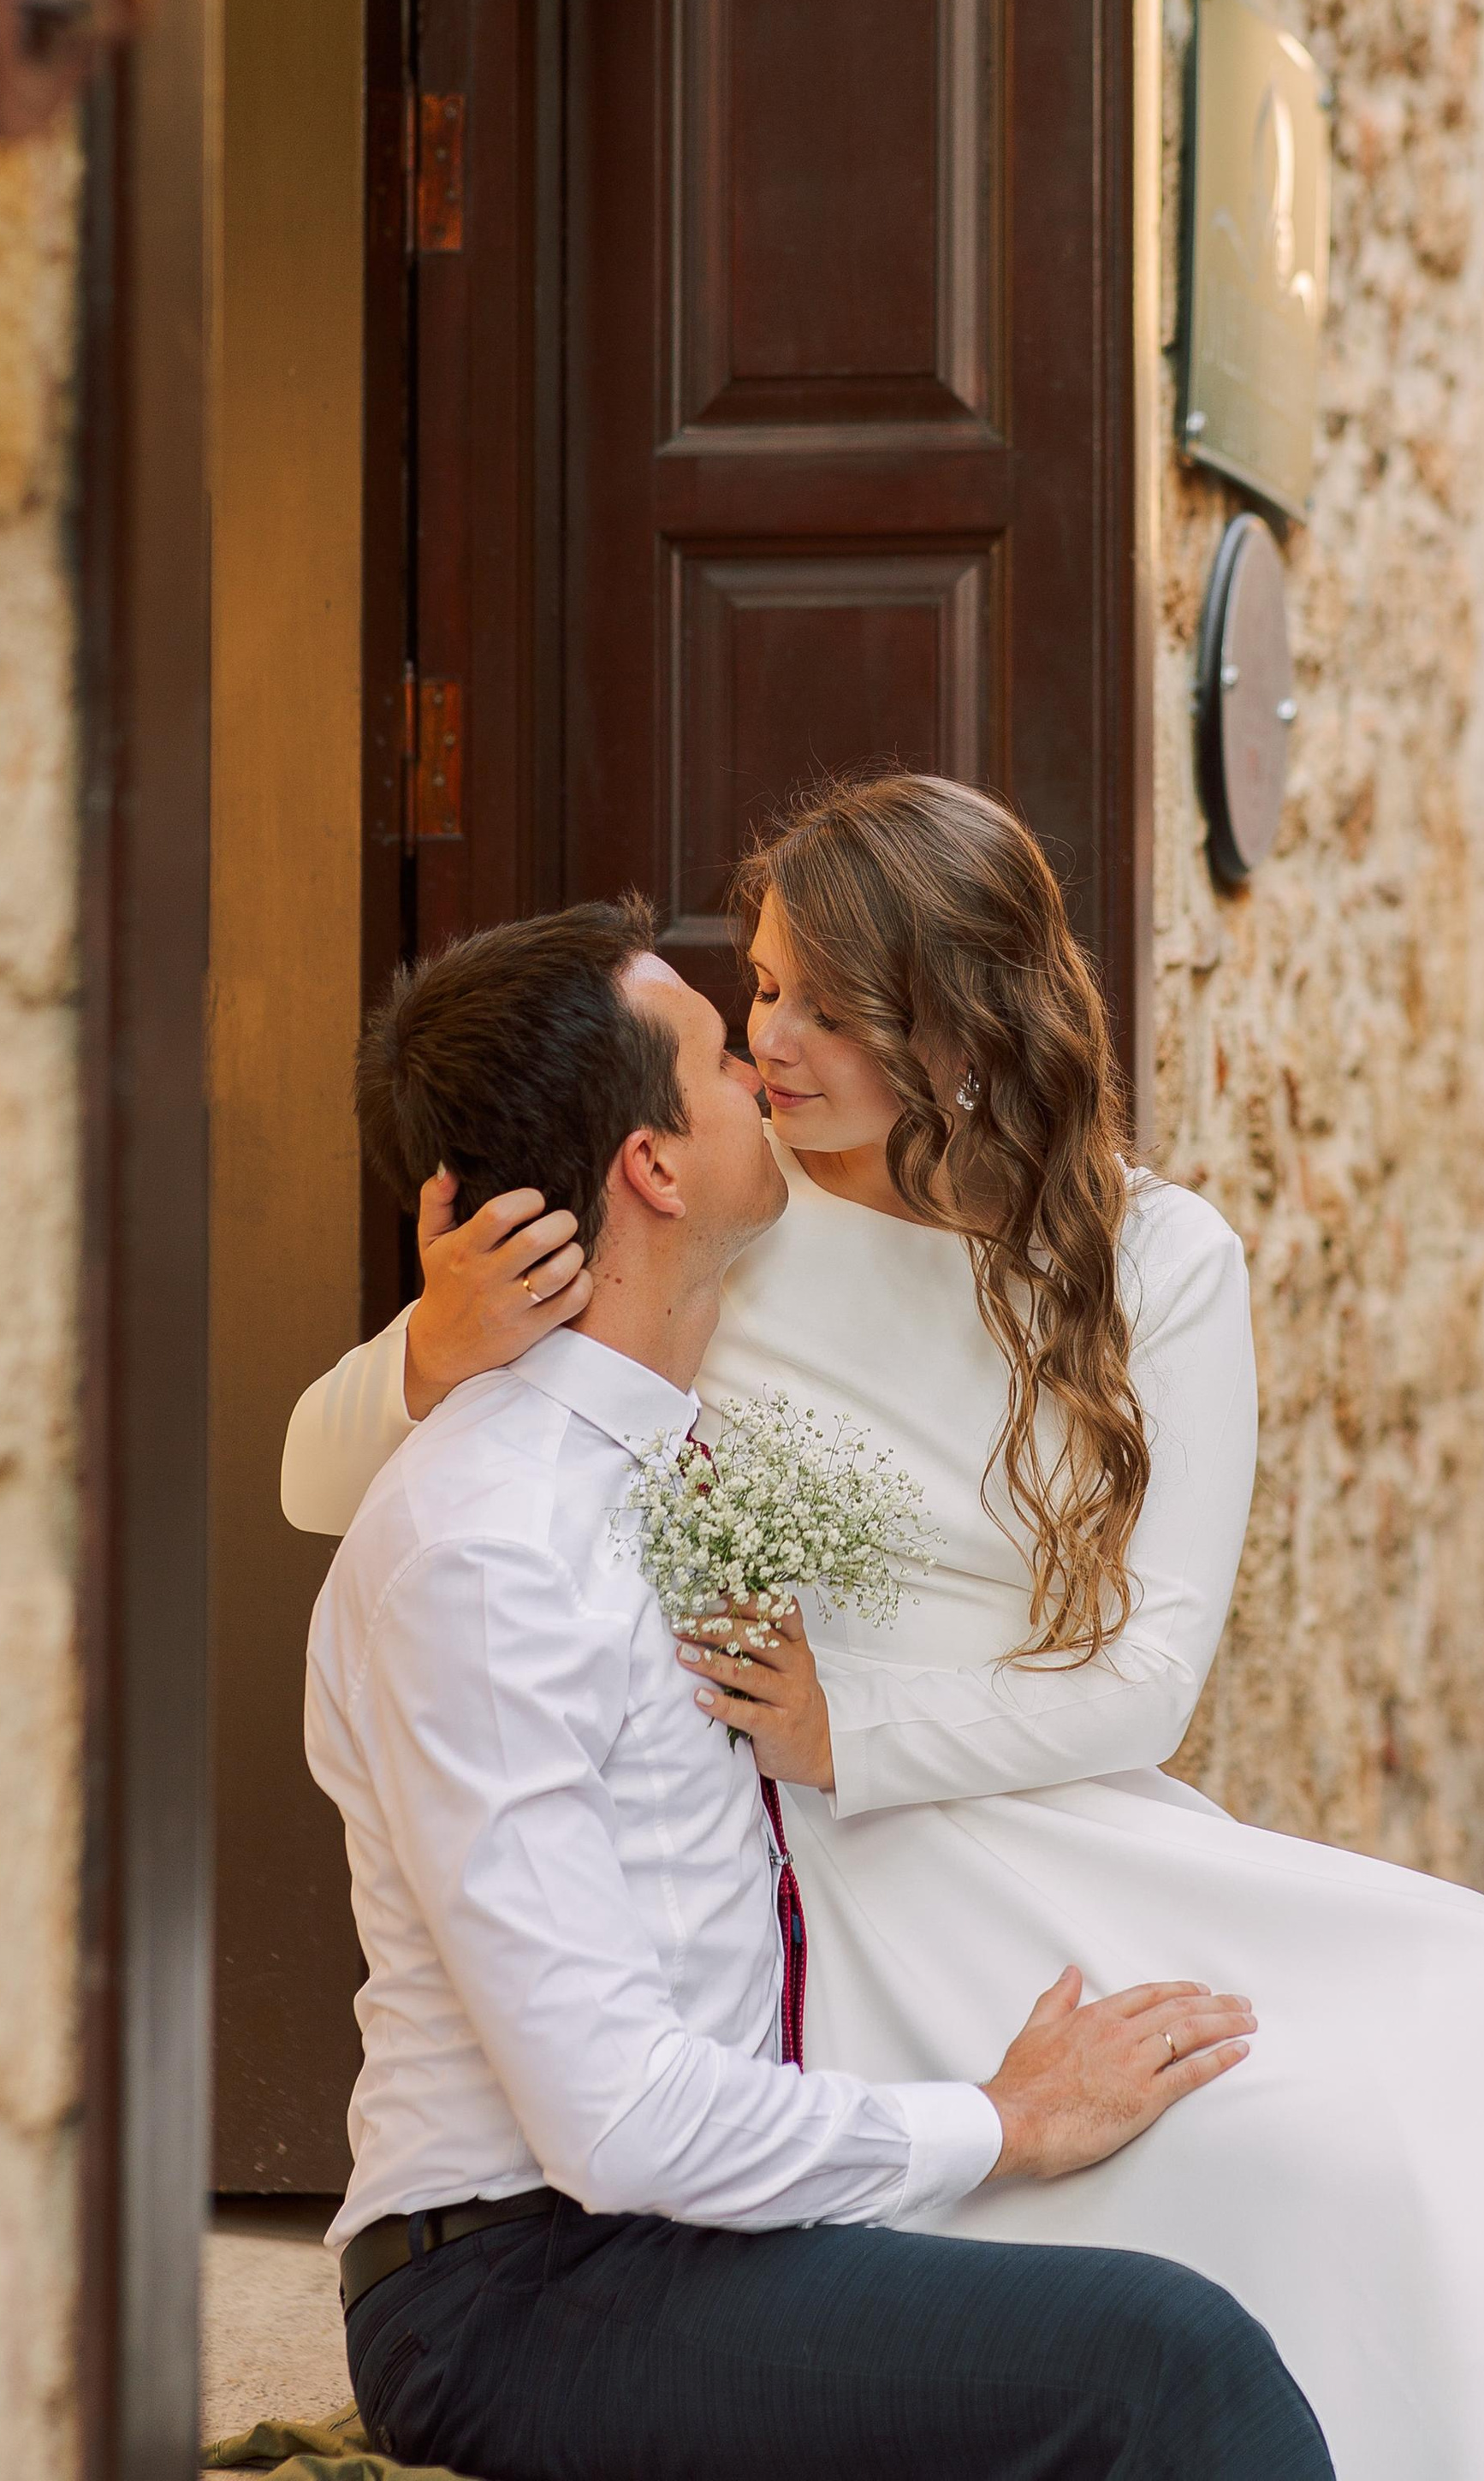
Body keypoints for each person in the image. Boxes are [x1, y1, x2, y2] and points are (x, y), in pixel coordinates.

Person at [288, 775, 1484, 2481]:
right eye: (760, 992)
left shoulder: (1155, 1262)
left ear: (956, 1031)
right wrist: (440, 1340)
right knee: (1281, 2164)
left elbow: (1148, 1679)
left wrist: (851, 1728)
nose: (769, 1044)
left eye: (823, 1010)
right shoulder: (720, 1229)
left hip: (1030, 1816)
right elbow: (337, 1482)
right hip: (806, 1884)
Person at [310, 896, 1335, 2481]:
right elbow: (616, 2121)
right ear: (654, 1168)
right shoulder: (491, 1551)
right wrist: (1002, 2119)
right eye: (722, 1056)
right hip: (527, 2277)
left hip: (676, 2230)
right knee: (1164, 2362)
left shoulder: (660, 1458)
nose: (765, 1069)